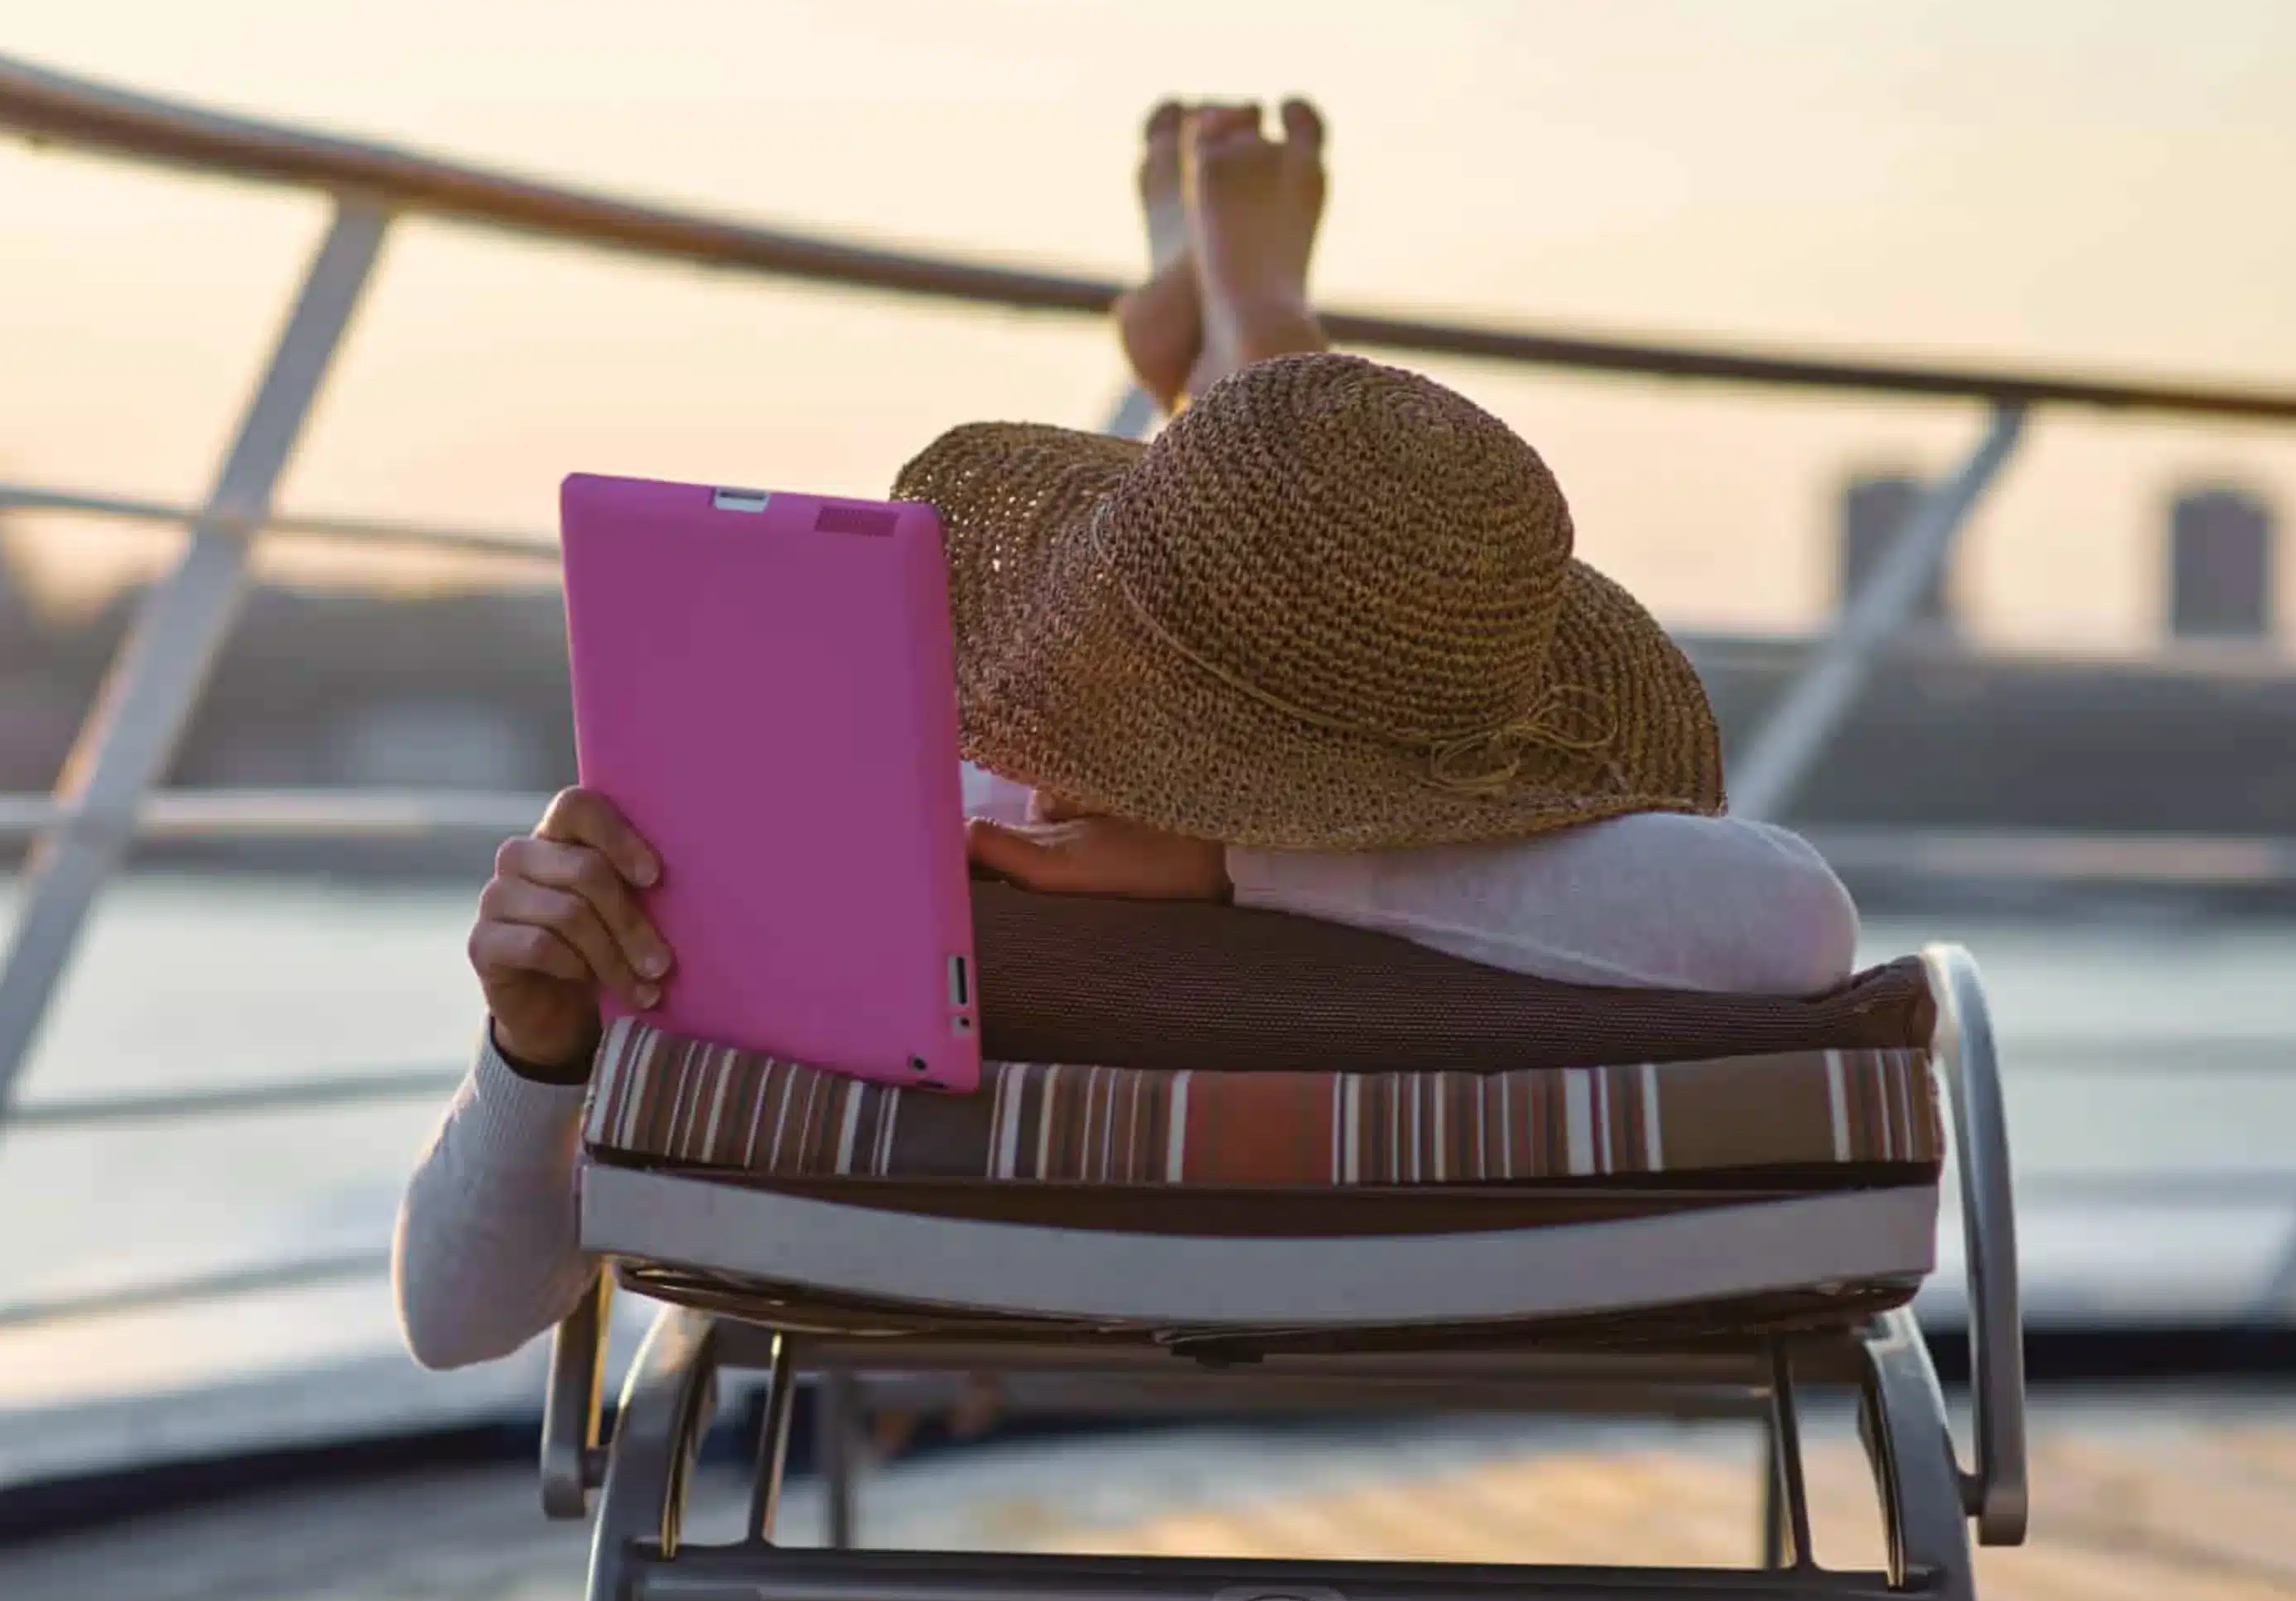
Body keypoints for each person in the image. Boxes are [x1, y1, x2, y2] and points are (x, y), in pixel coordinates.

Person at [393, 98, 1858, 1371]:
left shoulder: (924, 816)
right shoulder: (1538, 906)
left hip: (947, 1266)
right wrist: (1234, 866)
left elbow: (457, 1314)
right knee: (1306, 524)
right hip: (1433, 1241)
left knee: (1287, 525)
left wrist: (537, 1061)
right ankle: (1250, 341)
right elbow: (1789, 922)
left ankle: (1243, 351)